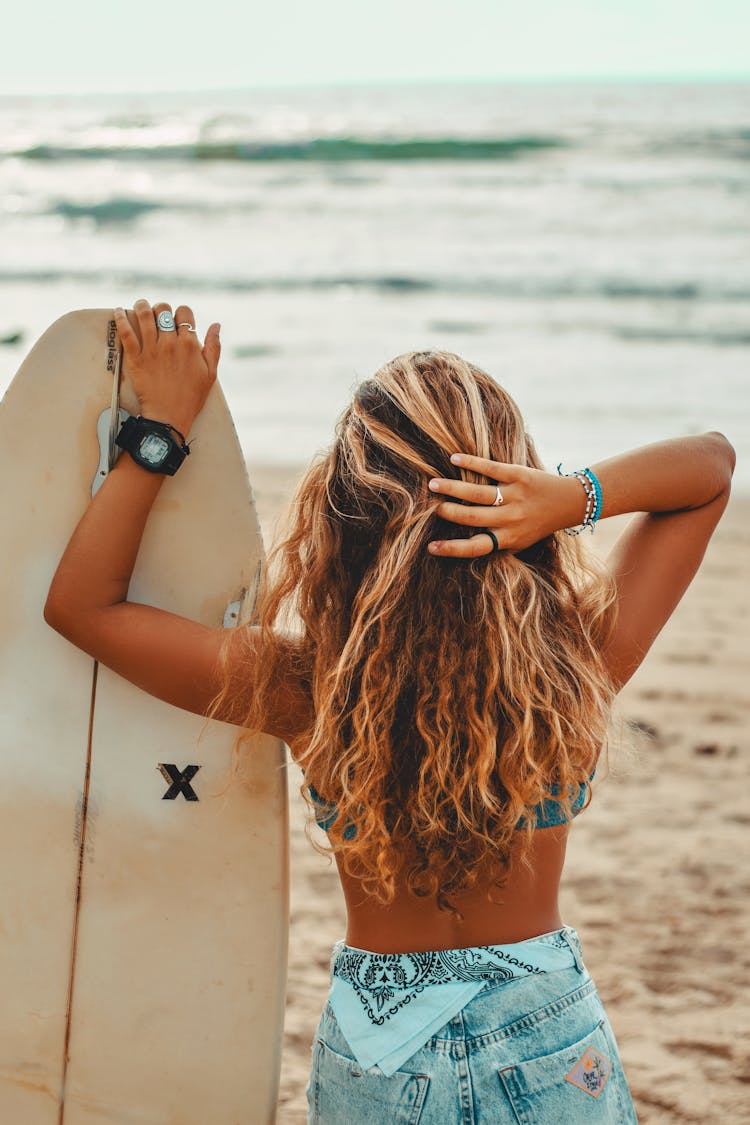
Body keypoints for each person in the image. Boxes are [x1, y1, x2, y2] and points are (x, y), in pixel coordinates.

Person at [44, 298, 735, 1124]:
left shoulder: (308, 687)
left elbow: (85, 607)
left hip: (380, 1053)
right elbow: (711, 469)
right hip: (549, 1039)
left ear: (343, 518)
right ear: (516, 491)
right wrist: (573, 497)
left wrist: (159, 436)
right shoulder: (568, 669)